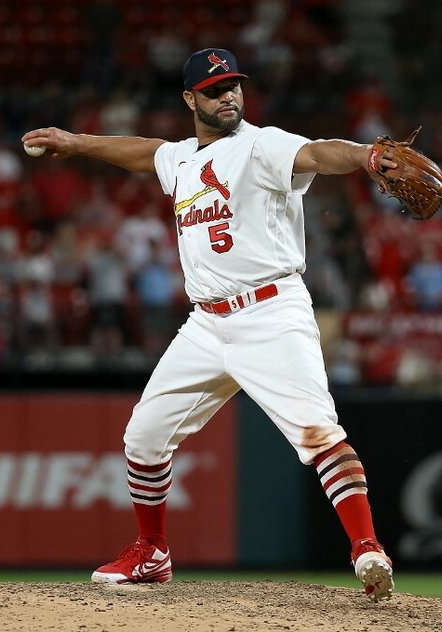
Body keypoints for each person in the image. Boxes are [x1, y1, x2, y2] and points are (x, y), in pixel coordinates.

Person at [22, 48, 396, 601]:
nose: (229, 96)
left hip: (272, 312)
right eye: (216, 88)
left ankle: (367, 548)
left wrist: (366, 154)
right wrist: (76, 143)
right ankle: (152, 553)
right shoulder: (181, 158)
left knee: (319, 433)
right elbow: (146, 152)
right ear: (189, 99)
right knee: (144, 437)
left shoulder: (262, 145)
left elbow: (318, 153)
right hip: (205, 323)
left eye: (235, 86)